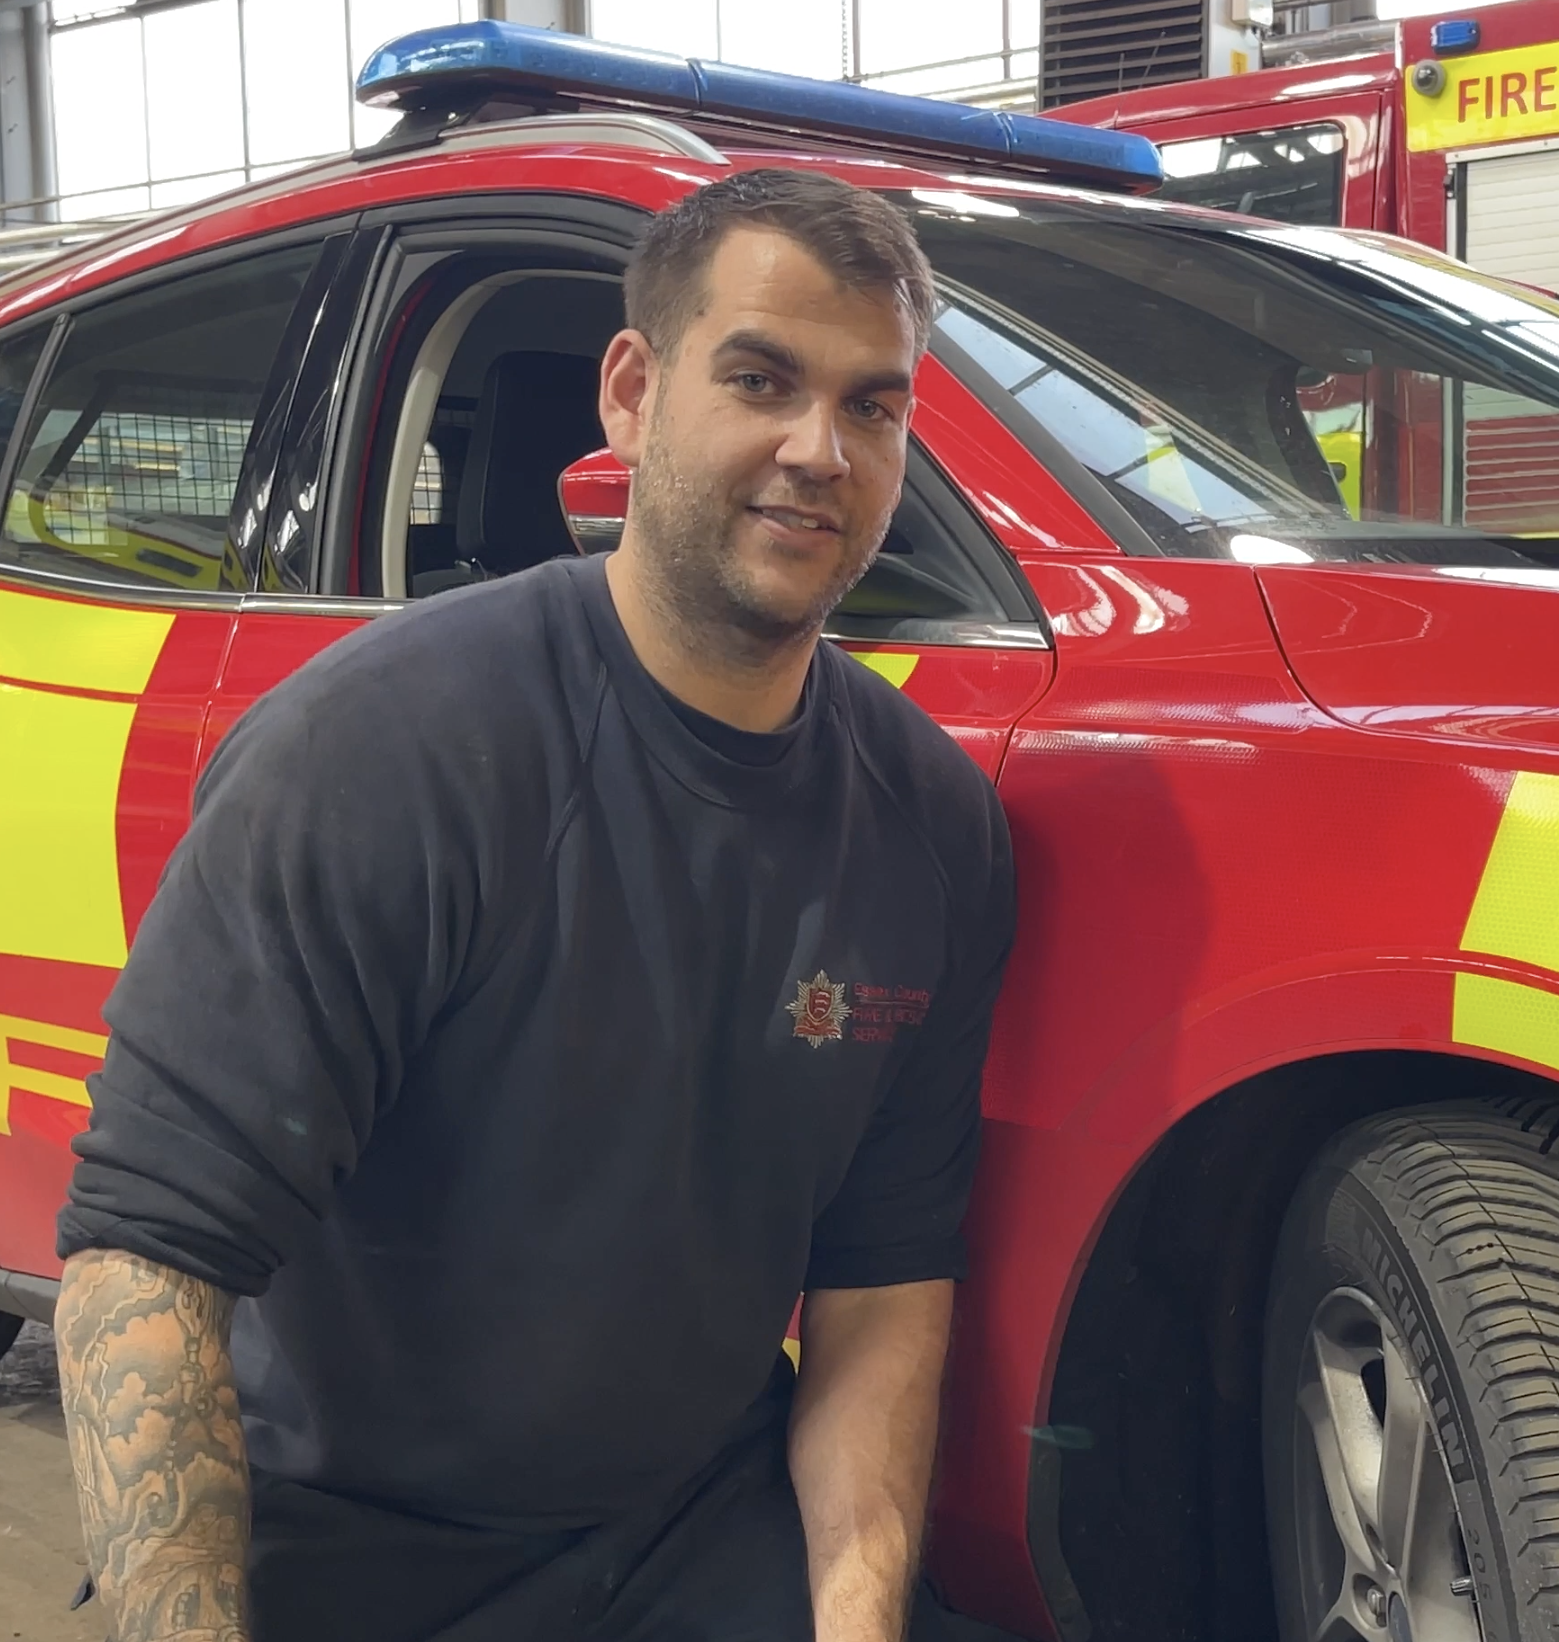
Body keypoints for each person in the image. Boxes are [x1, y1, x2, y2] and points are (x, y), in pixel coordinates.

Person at [51, 168, 1015, 1642]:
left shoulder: (932, 824)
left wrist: (857, 1621)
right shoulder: (383, 749)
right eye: (760, 378)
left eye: (871, 406)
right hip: (353, 1545)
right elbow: (144, 1264)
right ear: (631, 393)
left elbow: (879, 1291)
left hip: (693, 1524)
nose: (818, 448)